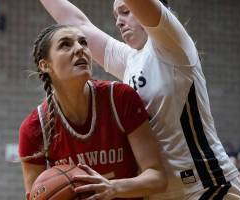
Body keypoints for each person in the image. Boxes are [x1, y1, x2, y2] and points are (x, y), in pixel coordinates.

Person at [38, 0, 240, 199]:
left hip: (206, 185)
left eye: (126, 11)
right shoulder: (130, 60)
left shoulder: (172, 43)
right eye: (116, 15)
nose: (118, 21)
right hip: (159, 193)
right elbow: (78, 23)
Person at [18, 24, 167, 200]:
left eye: (83, 43)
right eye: (65, 44)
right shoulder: (35, 128)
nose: (80, 49)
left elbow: (157, 178)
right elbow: (36, 195)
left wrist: (113, 188)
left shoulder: (120, 98)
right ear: (45, 65)